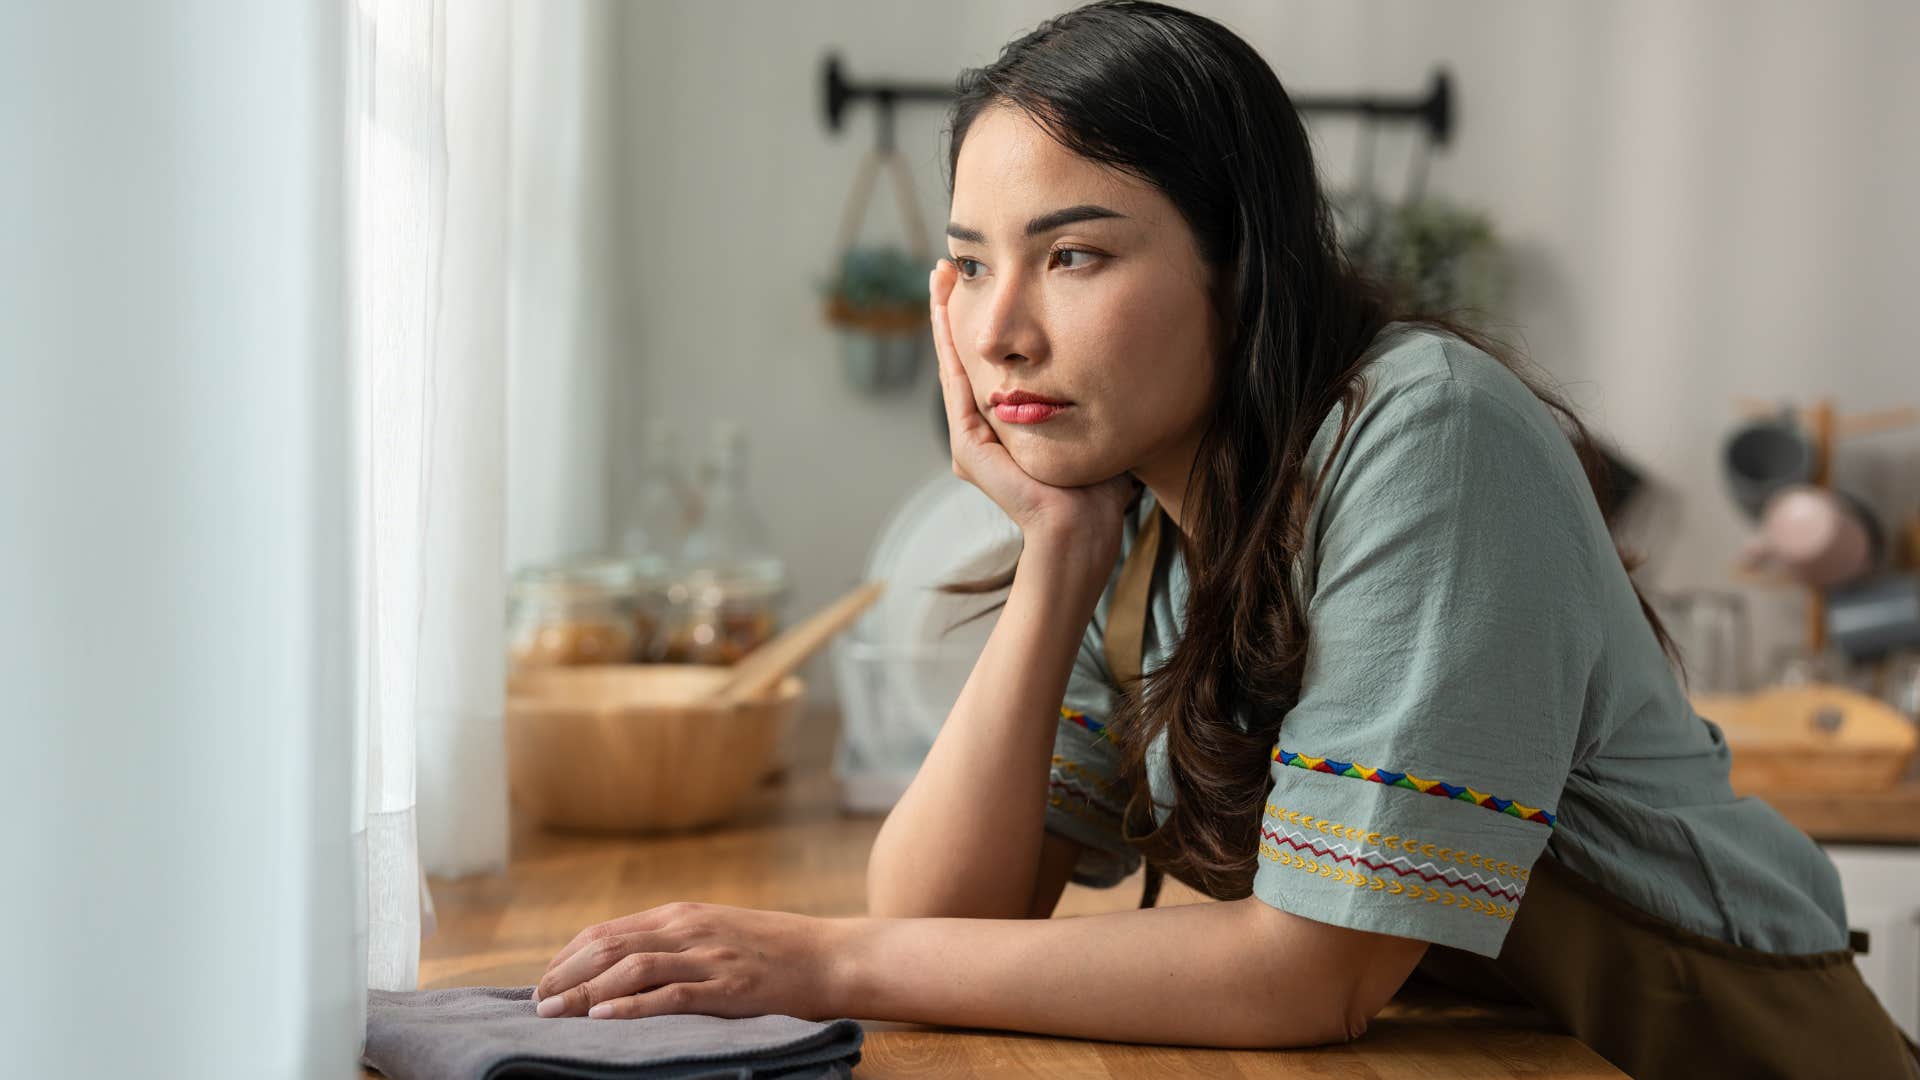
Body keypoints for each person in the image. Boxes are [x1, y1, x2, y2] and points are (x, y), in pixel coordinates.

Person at [529, 3, 1919, 1073]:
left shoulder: (1424, 433)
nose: (1000, 325)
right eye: (973, 261)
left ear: (1239, 266)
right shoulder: (1144, 514)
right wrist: (1058, 549)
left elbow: (1312, 975)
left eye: (1074, 254)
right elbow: (945, 907)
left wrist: (819, 965)